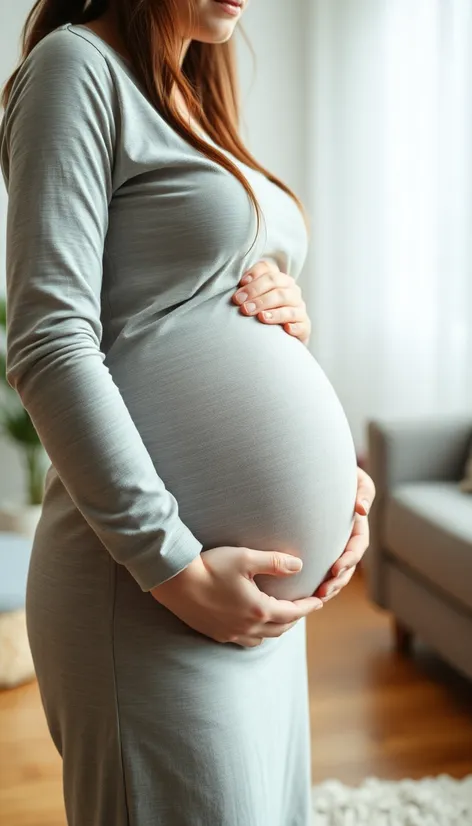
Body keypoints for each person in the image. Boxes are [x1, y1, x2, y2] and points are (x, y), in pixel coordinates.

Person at [0, 1, 376, 824]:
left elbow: (180, 308)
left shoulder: (192, 89)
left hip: (251, 606)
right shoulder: (77, 68)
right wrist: (172, 567)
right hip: (148, 592)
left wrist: (340, 483)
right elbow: (48, 341)